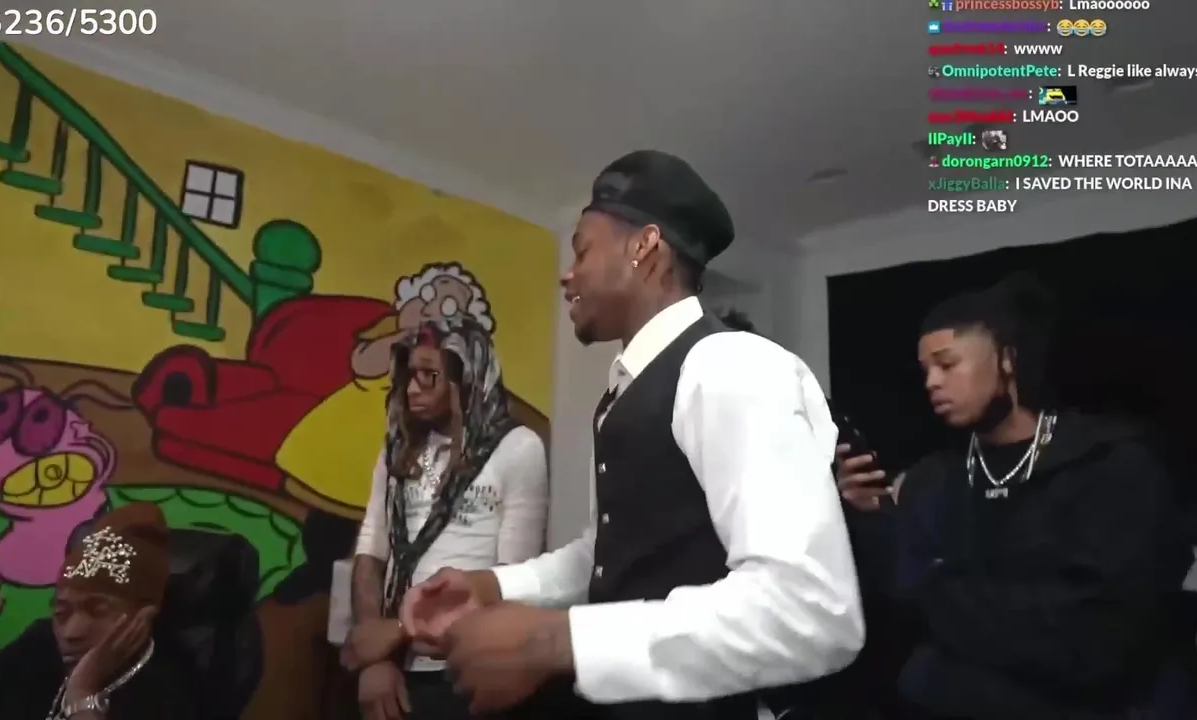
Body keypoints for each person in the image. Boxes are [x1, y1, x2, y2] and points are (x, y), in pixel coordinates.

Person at [399, 150, 864, 719]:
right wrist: (494, 588)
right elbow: (610, 554)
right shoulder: (627, 392)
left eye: (582, 250)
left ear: (644, 247)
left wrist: (556, 640)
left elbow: (812, 610)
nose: (567, 274)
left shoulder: (727, 365)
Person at [836, 274, 1197, 718]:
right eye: (926, 370)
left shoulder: (1111, 463)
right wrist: (867, 517)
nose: (932, 382)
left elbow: (1097, 635)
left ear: (1007, 359)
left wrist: (938, 588)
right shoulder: (933, 479)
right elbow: (897, 598)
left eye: (947, 364)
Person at [341, 315, 548, 720]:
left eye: (429, 376)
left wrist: (398, 631)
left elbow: (511, 582)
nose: (412, 388)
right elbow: (371, 553)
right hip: (392, 668)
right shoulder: (398, 452)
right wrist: (375, 658)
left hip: (467, 668)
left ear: (465, 378)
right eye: (409, 375)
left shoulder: (518, 449)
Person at [0, 503, 202, 720]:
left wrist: (83, 694)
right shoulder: (37, 643)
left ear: (143, 616)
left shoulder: (171, 687)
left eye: (98, 611)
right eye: (61, 613)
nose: (72, 632)